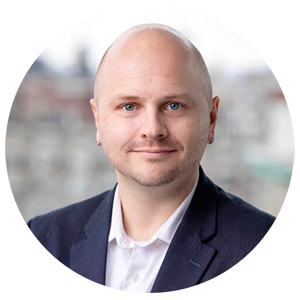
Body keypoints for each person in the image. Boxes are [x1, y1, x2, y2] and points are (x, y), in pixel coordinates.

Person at [28, 24, 276, 293]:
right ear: (98, 120)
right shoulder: (37, 243)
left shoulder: (273, 252)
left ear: (212, 119)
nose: (152, 129)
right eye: (129, 106)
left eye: (174, 105)